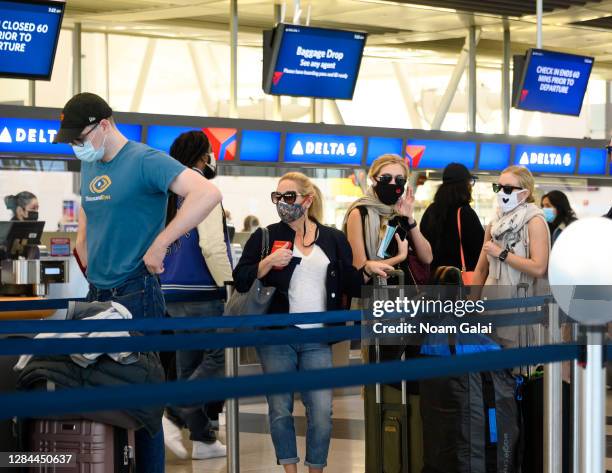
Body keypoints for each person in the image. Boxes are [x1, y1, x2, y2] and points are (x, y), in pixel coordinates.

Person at [57, 92, 222, 473]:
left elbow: (207, 193)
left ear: (103, 125)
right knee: (101, 394)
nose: (77, 147)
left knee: (142, 402)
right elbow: (89, 218)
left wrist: (160, 244)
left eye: (79, 138)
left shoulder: (146, 160)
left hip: (136, 291)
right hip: (97, 294)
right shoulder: (92, 165)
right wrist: (85, 254)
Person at [233, 172, 391, 473]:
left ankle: (315, 469)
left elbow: (351, 284)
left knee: (321, 411)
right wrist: (267, 263)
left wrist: (368, 269)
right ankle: (290, 470)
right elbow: (241, 279)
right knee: (280, 409)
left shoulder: (332, 239)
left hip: (318, 338)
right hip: (277, 336)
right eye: (277, 197)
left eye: (289, 197)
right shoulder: (265, 236)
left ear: (308, 199)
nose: (282, 203)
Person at [159, 130, 233, 460]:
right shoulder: (205, 191)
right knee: (217, 360)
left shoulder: (165, 193)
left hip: (170, 292)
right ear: (204, 157)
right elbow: (212, 245)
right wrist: (229, 284)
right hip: (204, 290)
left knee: (188, 366)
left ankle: (203, 440)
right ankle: (173, 413)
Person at [344, 154, 433, 288]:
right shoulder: (359, 214)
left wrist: (409, 218)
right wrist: (400, 257)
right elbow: (361, 268)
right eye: (386, 178)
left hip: (403, 296)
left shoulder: (400, 214)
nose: (392, 184)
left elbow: (427, 257)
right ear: (373, 179)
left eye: (399, 180)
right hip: (372, 296)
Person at [472, 165, 550, 308]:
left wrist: (502, 254)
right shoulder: (495, 222)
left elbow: (539, 268)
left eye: (507, 189)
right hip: (490, 300)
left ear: (525, 193)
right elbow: (481, 269)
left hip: (522, 302)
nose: (501, 193)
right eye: (498, 187)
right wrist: (471, 304)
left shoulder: (534, 221)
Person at [420, 163, 484, 275]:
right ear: (464, 185)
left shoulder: (431, 211)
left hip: (434, 278)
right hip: (459, 280)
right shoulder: (465, 213)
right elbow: (480, 250)